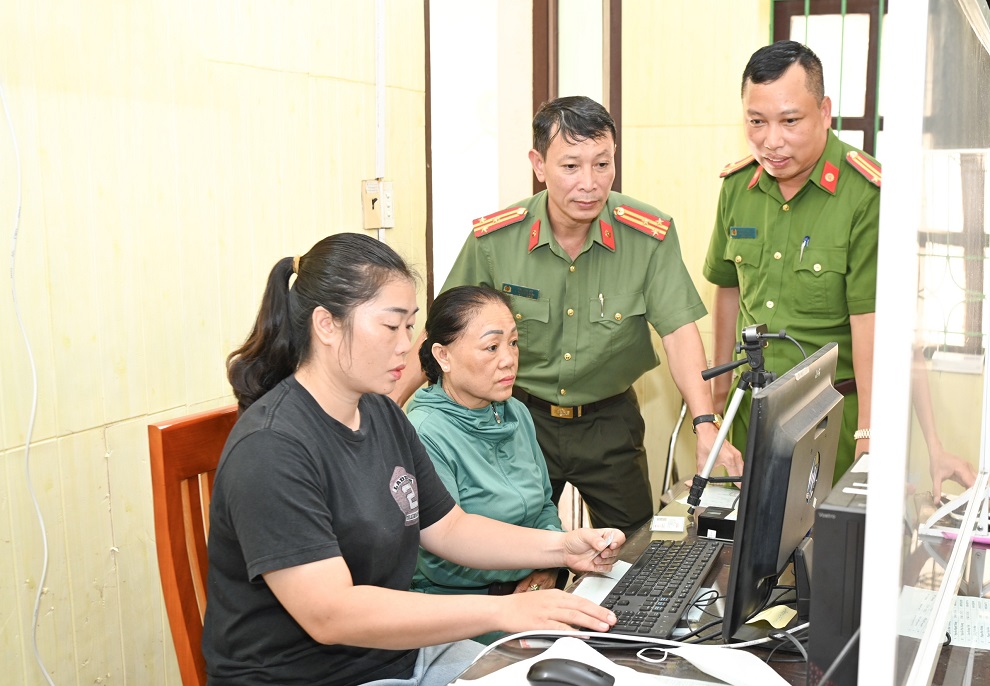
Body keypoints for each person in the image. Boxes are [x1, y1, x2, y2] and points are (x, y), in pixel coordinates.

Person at [204, 232, 624, 686]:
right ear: (326, 325)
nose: (407, 345)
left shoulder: (380, 411)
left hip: (395, 655)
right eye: (391, 326)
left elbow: (449, 528)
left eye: (410, 327)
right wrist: (503, 609)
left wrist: (563, 546)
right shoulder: (272, 448)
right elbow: (331, 614)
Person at [411, 96, 742, 536]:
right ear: (538, 164)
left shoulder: (647, 235)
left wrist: (706, 423)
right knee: (512, 548)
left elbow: (680, 332)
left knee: (633, 551)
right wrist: (383, 412)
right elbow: (441, 334)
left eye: (602, 164)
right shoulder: (496, 240)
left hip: (608, 423)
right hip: (516, 421)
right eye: (571, 166)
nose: (589, 183)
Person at [703, 41, 879, 482]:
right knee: (736, 545)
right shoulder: (736, 187)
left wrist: (868, 432)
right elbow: (727, 288)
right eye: (756, 122)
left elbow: (869, 322)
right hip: (750, 414)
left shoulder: (865, 193)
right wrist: (717, 400)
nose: (771, 141)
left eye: (790, 121)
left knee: (826, 548)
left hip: (831, 417)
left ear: (824, 111)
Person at [406, 286, 569, 643]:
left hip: (531, 595)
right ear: (443, 356)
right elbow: (442, 555)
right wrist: (539, 563)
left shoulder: (516, 412)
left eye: (513, 343)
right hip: (461, 614)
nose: (509, 359)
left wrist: (547, 567)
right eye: (492, 347)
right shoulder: (424, 432)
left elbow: (543, 505)